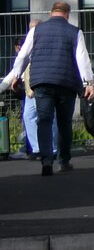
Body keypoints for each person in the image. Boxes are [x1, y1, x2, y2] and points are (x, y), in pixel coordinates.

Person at [1, 2, 94, 176]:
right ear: (67, 14)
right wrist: (89, 83)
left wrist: (16, 75)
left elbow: (23, 55)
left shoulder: (36, 30)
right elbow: (82, 59)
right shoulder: (75, 31)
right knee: (64, 122)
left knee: (43, 120)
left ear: (51, 13)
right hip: (66, 83)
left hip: (42, 82)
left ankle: (46, 161)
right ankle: (64, 160)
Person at [1, 21, 57, 162]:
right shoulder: (30, 44)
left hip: (44, 84)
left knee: (49, 117)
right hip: (30, 89)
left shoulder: (45, 44)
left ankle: (53, 148)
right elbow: (18, 66)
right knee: (29, 115)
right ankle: (38, 148)